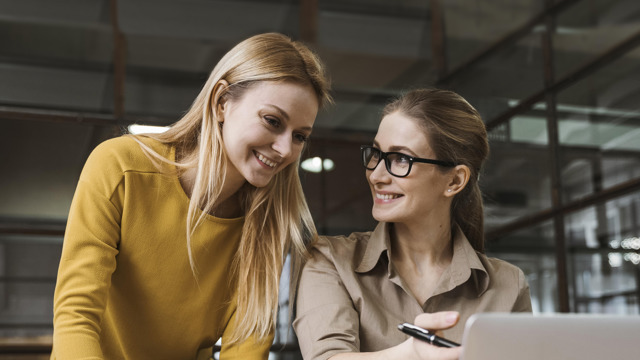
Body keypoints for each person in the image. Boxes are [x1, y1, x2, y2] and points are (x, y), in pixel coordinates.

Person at [51, 32, 331, 360]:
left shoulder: (268, 221)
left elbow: (246, 345)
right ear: (222, 102)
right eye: (272, 121)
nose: (286, 149)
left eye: (299, 136)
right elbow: (76, 315)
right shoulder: (121, 167)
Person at [293, 88, 531, 360]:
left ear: (454, 181)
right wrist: (411, 354)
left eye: (401, 159)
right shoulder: (329, 261)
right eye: (376, 154)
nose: (377, 175)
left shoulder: (509, 285)